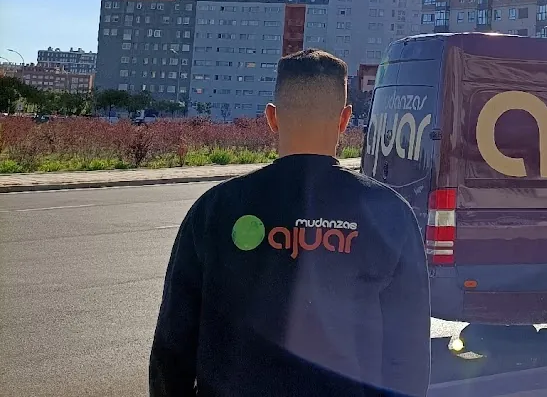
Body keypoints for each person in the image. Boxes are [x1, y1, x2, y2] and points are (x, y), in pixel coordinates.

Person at [150, 49, 430, 397]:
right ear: (344, 119)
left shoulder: (214, 210)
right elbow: (408, 357)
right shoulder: (390, 213)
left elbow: (172, 347)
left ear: (272, 117)